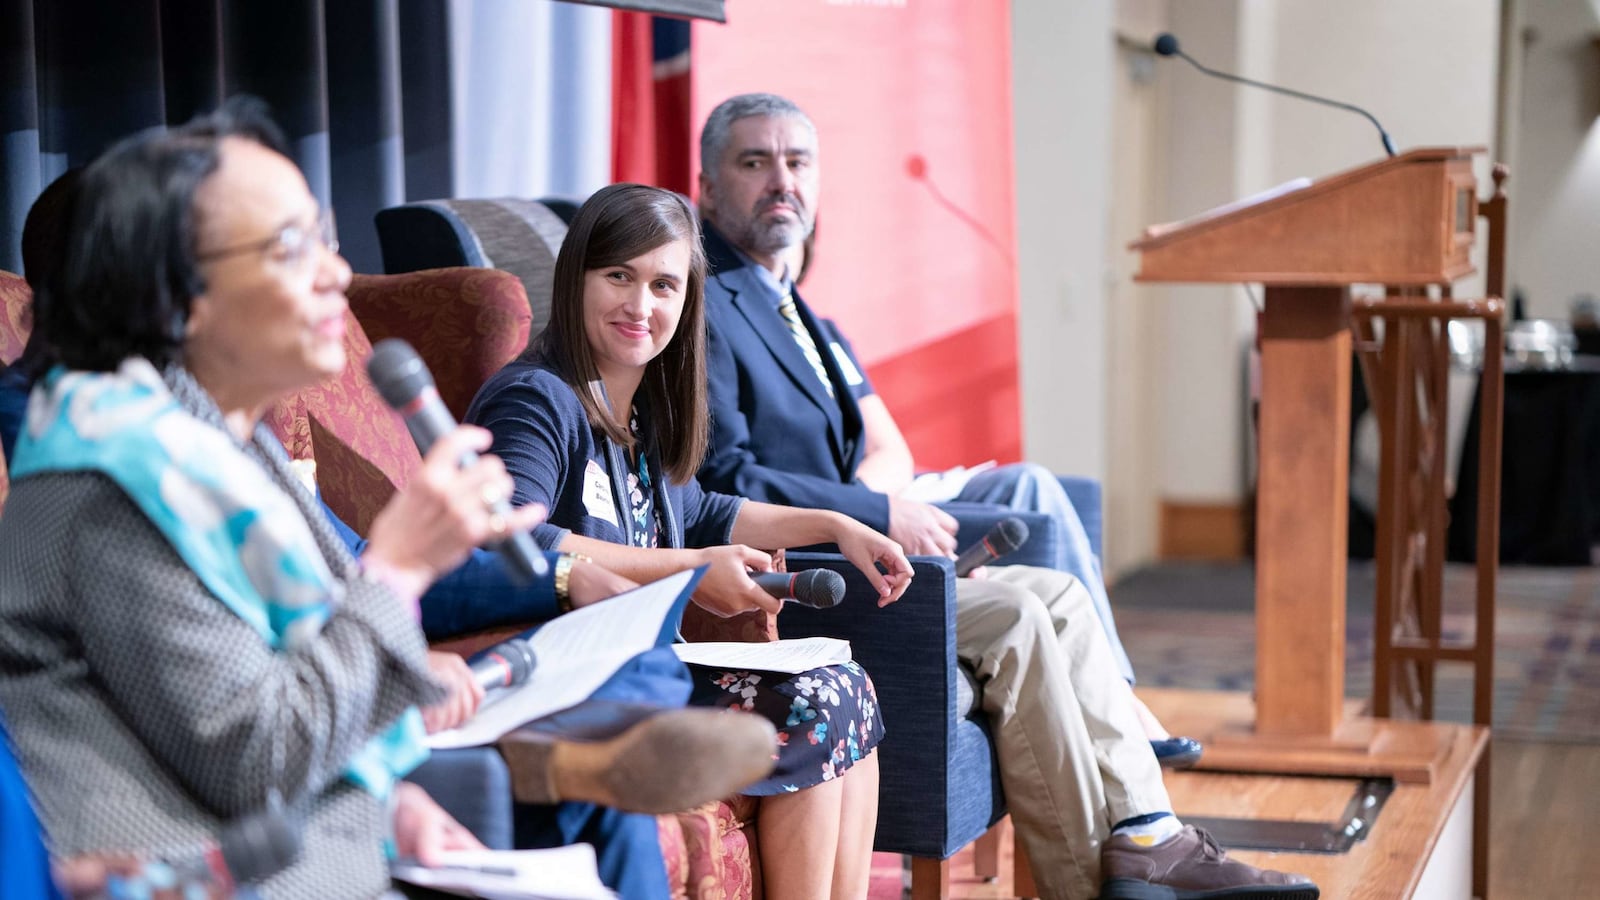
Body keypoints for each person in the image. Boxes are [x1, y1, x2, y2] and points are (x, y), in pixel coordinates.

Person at [0, 158, 777, 900]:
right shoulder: (90, 460)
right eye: (294, 247)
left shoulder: (221, 436)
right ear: (177, 289)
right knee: (559, 787)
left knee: (598, 736)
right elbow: (243, 732)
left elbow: (341, 566)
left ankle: (556, 762)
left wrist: (556, 578)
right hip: (236, 804)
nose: (339, 272)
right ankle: (545, 767)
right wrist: (392, 628)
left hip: (320, 738)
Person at [692, 92, 1319, 900]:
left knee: (1054, 592)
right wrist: (871, 517)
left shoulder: (793, 303)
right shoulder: (705, 301)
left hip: (864, 554)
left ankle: (1146, 835)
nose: (782, 181)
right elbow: (722, 480)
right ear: (707, 185)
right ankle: (1089, 885)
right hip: (800, 576)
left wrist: (885, 519)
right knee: (1022, 613)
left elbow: (874, 444)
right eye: (755, 162)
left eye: (797, 161)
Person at [468, 183, 913, 900]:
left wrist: (834, 526)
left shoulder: (637, 411)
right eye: (618, 276)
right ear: (575, 275)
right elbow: (513, 537)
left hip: (643, 663)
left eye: (662, 284)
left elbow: (704, 511)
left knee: (850, 689)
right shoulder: (538, 398)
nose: (640, 305)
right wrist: (687, 570)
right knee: (818, 703)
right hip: (572, 678)